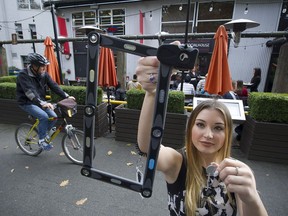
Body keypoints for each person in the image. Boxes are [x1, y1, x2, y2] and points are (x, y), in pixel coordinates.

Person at [135, 52, 268, 216]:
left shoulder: (235, 172)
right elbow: (148, 147)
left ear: (227, 134)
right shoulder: (178, 162)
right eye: (200, 125)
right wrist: (152, 93)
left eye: (218, 128)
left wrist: (252, 198)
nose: (208, 135)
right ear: (190, 128)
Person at [16, 53, 75, 151]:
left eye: (45, 66)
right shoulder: (23, 75)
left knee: (54, 117)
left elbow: (54, 86)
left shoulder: (43, 74)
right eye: (42, 66)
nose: (44, 68)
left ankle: (43, 132)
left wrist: (67, 96)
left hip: (40, 101)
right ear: (34, 66)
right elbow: (30, 92)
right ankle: (42, 140)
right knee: (43, 116)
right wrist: (42, 103)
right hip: (26, 102)